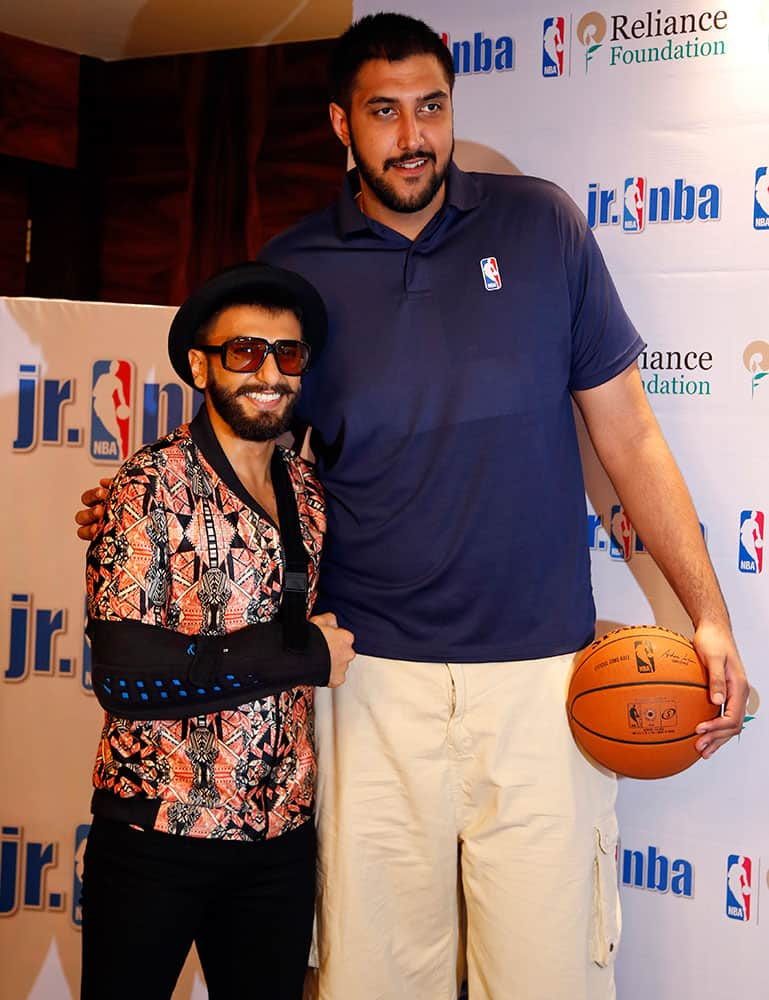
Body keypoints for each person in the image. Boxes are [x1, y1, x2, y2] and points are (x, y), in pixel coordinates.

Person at [77, 13, 749, 1000]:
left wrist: (707, 613)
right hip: (371, 685)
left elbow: (629, 434)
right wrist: (140, 492)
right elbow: (249, 449)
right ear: (343, 126)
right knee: (377, 982)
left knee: (550, 978)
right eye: (384, 112)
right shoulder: (296, 267)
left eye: (431, 106)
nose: (412, 135)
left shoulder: (543, 224)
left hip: (542, 681)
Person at [80, 262, 355, 1000]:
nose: (268, 371)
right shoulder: (148, 485)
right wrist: (302, 654)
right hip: (156, 837)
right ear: (201, 365)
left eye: (287, 354)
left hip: (279, 843)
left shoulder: (307, 490)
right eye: (244, 352)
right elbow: (125, 671)